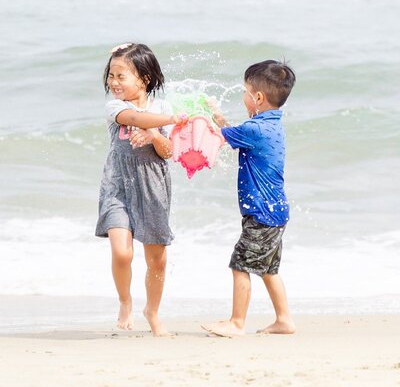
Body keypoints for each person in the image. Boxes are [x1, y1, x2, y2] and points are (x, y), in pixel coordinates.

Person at [202, 60, 296, 337]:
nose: (243, 96)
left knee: (239, 265)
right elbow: (233, 134)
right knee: (269, 269)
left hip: (262, 213)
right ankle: (284, 320)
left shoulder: (254, 130)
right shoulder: (270, 125)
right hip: (275, 212)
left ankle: (237, 322)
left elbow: (217, 137)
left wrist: (198, 118)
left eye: (245, 91)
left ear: (257, 98)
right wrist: (218, 116)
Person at [95, 42, 183, 336]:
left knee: (157, 258)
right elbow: (133, 119)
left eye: (121, 76)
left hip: (153, 187)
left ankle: (153, 312)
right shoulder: (116, 107)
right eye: (111, 75)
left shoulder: (161, 108)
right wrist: (169, 121)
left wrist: (155, 134)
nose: (114, 82)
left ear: (144, 79)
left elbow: (168, 151)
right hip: (118, 185)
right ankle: (125, 300)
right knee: (123, 253)